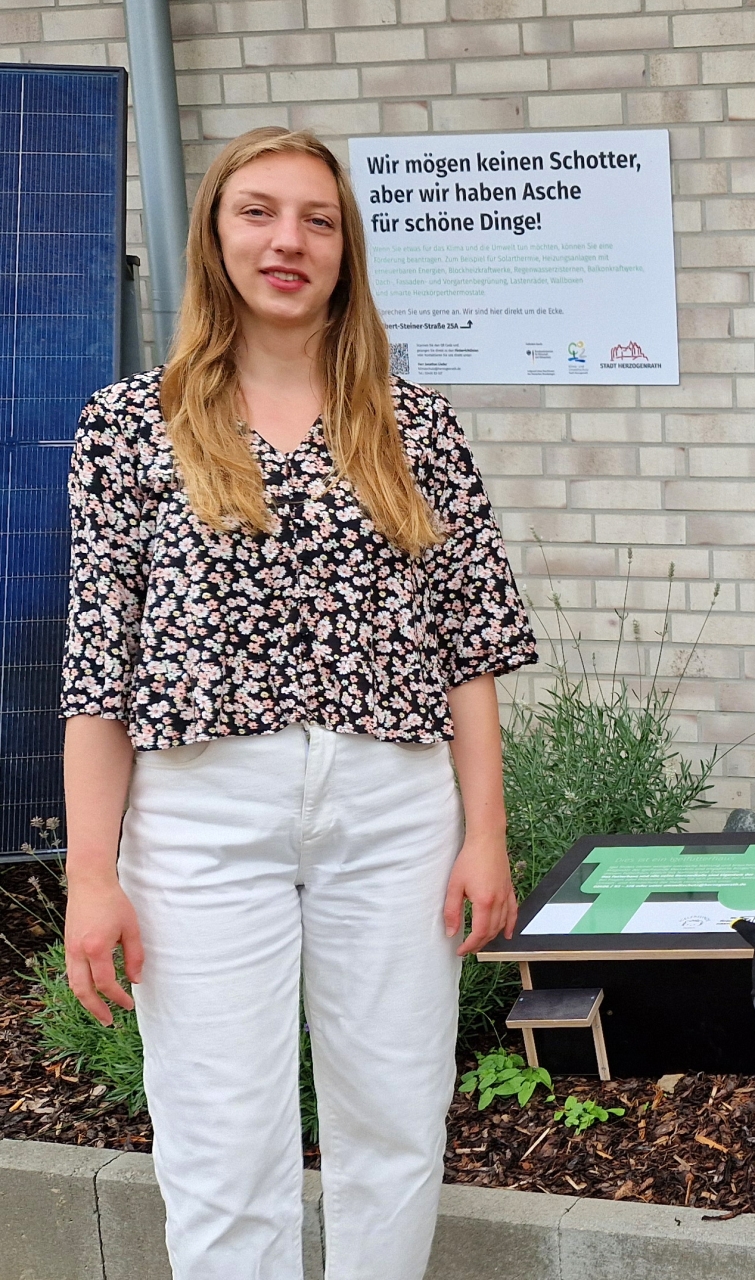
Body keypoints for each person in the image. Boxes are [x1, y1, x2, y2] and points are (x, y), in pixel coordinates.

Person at [60, 127, 537, 1280]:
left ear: (346, 249)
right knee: (223, 1145)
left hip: (393, 810)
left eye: (317, 219)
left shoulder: (417, 429)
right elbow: (96, 669)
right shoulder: (132, 427)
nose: (289, 240)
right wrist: (90, 873)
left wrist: (486, 833)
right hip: (204, 816)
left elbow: (468, 649)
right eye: (259, 213)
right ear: (215, 236)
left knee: (395, 1124)